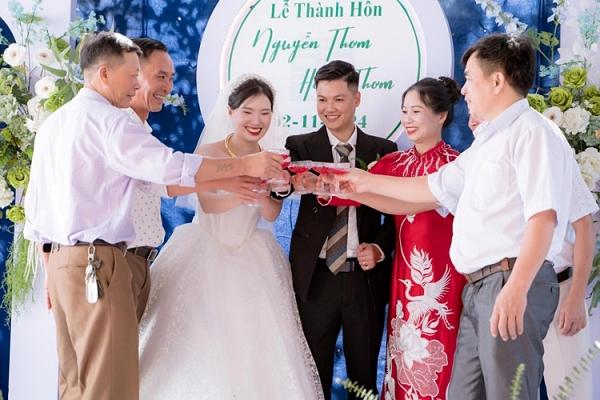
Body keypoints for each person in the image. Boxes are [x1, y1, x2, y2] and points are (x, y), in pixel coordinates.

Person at [23, 32, 284, 400]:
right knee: (109, 386)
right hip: (99, 264)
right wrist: (244, 165)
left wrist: (53, 269)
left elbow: (36, 210)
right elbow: (169, 169)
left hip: (69, 264)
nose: (136, 85)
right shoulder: (110, 121)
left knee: (76, 383)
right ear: (104, 74)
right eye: (134, 75)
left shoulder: (56, 123)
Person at [325, 33, 574, 399]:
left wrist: (516, 288)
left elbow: (543, 217)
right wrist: (357, 183)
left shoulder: (531, 132)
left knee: (509, 393)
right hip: (479, 287)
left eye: (470, 78)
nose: (464, 89)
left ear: (497, 81)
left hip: (508, 280)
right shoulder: (486, 144)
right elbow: (427, 190)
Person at [138, 75, 324, 400]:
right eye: (248, 112)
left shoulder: (271, 157)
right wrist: (241, 192)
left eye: (264, 113)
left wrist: (270, 190)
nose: (256, 121)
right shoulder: (210, 152)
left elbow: (271, 214)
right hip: (204, 250)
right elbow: (208, 205)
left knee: (255, 343)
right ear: (230, 112)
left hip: (252, 253)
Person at [125, 37, 265, 321]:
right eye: (160, 76)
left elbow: (163, 185)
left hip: (135, 261)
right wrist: (237, 171)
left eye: (171, 78)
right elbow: (172, 177)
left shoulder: (140, 130)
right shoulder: (120, 128)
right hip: (118, 261)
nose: (168, 87)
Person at [286, 60, 397, 399]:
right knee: (311, 375)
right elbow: (279, 189)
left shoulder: (383, 151)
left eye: (338, 99)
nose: (328, 108)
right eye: (321, 99)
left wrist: (378, 248)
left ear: (356, 99)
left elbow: (395, 215)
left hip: (363, 278)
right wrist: (290, 185)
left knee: (363, 376)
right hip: (315, 277)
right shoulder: (299, 146)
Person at [363, 77, 466, 399]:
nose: (407, 119)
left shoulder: (458, 167)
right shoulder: (392, 164)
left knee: (443, 363)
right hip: (404, 282)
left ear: (441, 116)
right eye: (404, 111)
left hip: (448, 284)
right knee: (403, 359)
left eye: (416, 111)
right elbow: (354, 191)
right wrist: (316, 183)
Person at [541, 166, 597, 398]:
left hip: (559, 289)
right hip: (503, 291)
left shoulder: (558, 156)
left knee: (572, 390)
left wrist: (575, 296)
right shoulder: (486, 157)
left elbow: (584, 225)